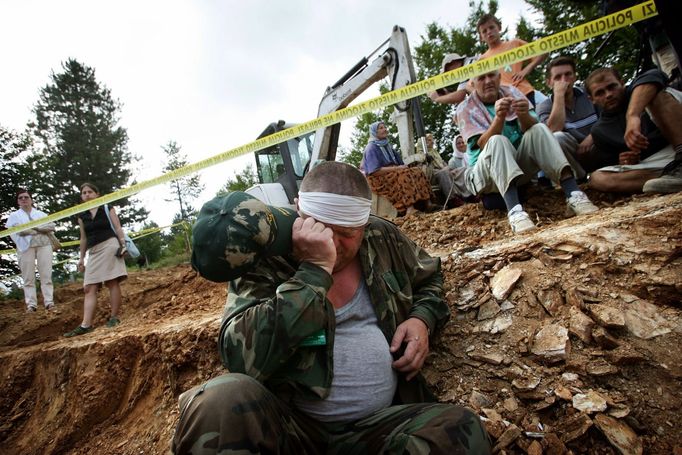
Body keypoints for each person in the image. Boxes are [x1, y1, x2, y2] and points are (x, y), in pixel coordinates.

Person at [173, 161, 492, 454]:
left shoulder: (382, 238)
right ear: (298, 209)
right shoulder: (268, 258)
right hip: (291, 430)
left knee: (461, 430)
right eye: (321, 228)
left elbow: (430, 277)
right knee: (217, 401)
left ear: (365, 225)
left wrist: (422, 318)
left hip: (376, 431)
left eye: (346, 235)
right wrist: (313, 271)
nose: (333, 245)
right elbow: (240, 356)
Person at [455, 70, 599, 234]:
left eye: (492, 75)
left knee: (539, 128)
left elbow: (530, 127)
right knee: (497, 140)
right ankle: (515, 212)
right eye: (481, 77)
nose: (488, 81)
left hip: (515, 168)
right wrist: (499, 119)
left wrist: (523, 115)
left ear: (499, 77)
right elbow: (482, 143)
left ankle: (573, 193)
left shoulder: (512, 92)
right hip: (486, 177)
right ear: (472, 84)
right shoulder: (465, 108)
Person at [584, 67, 682, 193]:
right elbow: (614, 163)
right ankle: (671, 179)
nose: (608, 95)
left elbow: (653, 75)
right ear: (591, 99)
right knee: (597, 178)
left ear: (622, 83)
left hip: (675, 145)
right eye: (600, 93)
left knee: (657, 94)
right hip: (659, 164)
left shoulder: (639, 89)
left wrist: (633, 116)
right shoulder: (599, 131)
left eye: (612, 87)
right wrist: (625, 160)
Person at [64, 183, 128, 337]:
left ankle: (114, 317)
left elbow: (118, 227)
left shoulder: (107, 207)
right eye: (84, 192)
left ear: (97, 194)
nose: (87, 194)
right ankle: (86, 325)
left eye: (90, 191)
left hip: (109, 245)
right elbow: (83, 238)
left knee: (112, 281)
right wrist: (81, 258)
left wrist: (123, 244)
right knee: (89, 287)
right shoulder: (81, 215)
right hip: (93, 251)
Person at [536, 56, 599, 181]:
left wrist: (591, 137)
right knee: (557, 138)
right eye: (557, 77)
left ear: (574, 77)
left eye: (568, 75)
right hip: (575, 154)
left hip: (600, 143)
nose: (564, 80)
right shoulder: (544, 106)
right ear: (549, 82)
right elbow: (553, 130)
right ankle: (580, 179)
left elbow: (608, 117)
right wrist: (559, 95)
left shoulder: (590, 93)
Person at [360, 121, 433, 215]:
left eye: (385, 127)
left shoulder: (387, 145)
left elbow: (400, 163)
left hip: (392, 171)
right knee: (404, 175)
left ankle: (428, 204)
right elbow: (374, 171)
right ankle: (410, 209)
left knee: (417, 171)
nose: (385, 129)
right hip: (378, 177)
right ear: (375, 132)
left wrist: (402, 167)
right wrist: (397, 169)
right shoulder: (371, 148)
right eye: (381, 128)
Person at [477, 13, 547, 105]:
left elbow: (543, 51)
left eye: (491, 27)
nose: (489, 32)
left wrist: (526, 69)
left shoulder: (514, 44)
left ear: (499, 28)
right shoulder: (482, 59)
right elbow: (470, 85)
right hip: (505, 99)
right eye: (484, 31)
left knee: (536, 118)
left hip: (524, 91)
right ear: (481, 37)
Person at [5, 189, 56, 312]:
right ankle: (31, 304)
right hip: (24, 247)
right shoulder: (14, 216)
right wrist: (36, 229)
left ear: (31, 199)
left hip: (44, 244)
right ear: (18, 201)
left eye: (26, 197)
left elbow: (51, 227)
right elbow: (13, 231)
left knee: (46, 274)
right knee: (28, 276)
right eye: (20, 198)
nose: (23, 199)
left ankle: (49, 302)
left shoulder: (41, 214)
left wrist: (30, 230)